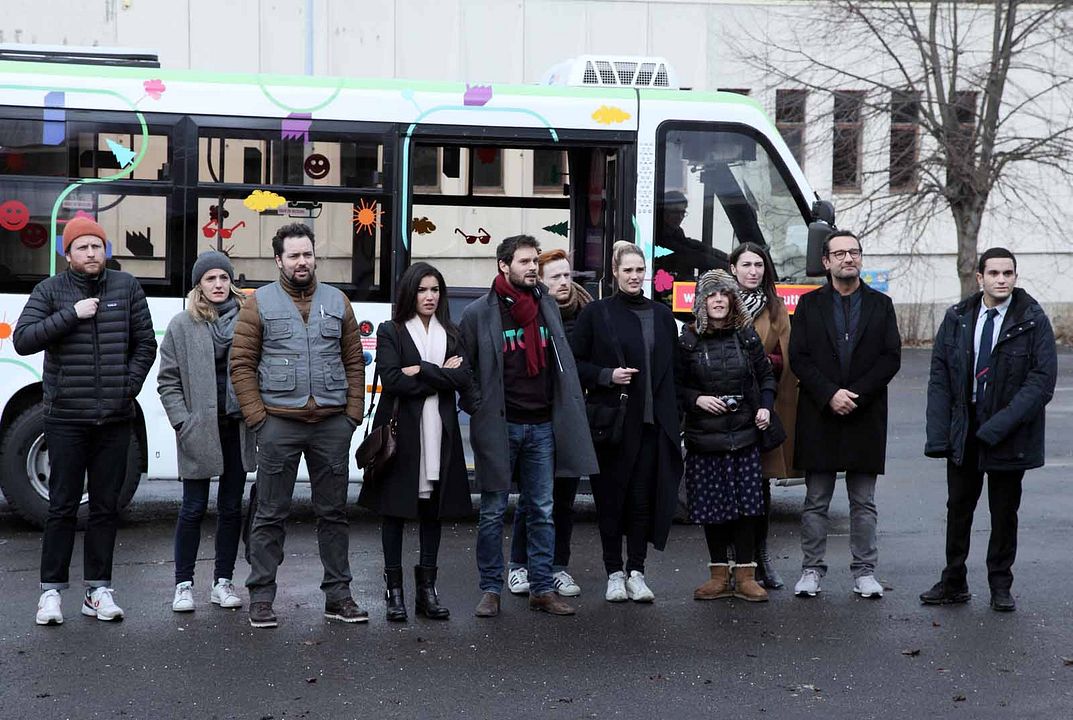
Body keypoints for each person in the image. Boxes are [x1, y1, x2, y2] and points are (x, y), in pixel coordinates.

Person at [16, 217, 156, 626]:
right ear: (68, 254)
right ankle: (51, 592)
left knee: (105, 507)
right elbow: (23, 340)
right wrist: (71, 315)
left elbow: (145, 343)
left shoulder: (126, 287)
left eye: (97, 246)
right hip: (65, 418)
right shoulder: (50, 291)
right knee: (61, 507)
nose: (92, 253)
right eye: (83, 247)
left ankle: (98, 590)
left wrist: (126, 387)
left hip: (115, 418)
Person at [229, 223, 366, 628]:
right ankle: (261, 597)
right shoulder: (257, 303)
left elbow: (354, 361)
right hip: (278, 424)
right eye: (294, 256)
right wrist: (259, 419)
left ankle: (338, 597)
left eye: (307, 254)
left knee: (334, 514)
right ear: (279, 260)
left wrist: (351, 416)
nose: (302, 262)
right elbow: (241, 365)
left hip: (331, 425)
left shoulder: (337, 301)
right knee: (269, 514)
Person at [459, 235, 598, 618]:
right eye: (524, 262)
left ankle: (541, 588)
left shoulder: (545, 304)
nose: (533, 267)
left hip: (542, 427)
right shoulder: (478, 313)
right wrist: (478, 406)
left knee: (542, 510)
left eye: (535, 261)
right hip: (500, 427)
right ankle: (491, 590)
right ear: (504, 266)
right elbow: (463, 368)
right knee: (492, 512)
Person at [920, 248, 1057, 612]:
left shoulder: (1032, 320)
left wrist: (999, 426)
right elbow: (940, 377)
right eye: (994, 273)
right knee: (958, 508)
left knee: (1004, 512)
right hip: (965, 429)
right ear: (979, 277)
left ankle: (1000, 584)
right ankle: (954, 580)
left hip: (1009, 432)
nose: (1001, 279)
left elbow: (1041, 383)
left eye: (1008, 273)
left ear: (1015, 277)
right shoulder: (958, 317)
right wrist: (940, 434)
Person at [788, 230, 900, 599]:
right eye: (839, 253)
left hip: (864, 415)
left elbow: (890, 358)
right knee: (816, 501)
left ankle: (865, 572)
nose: (848, 258)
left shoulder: (881, 305)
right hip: (820, 414)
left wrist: (857, 396)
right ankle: (811, 570)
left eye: (854, 252)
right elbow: (799, 357)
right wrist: (830, 394)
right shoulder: (809, 305)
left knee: (863, 503)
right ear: (826, 262)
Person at [357, 262, 472, 622]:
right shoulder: (390, 330)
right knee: (394, 514)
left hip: (441, 435)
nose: (429, 296)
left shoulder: (451, 331)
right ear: (410, 292)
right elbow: (392, 381)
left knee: (432, 514)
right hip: (401, 435)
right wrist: (439, 375)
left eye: (435, 290)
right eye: (422, 290)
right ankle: (394, 593)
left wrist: (421, 369)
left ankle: (427, 593)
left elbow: (463, 378)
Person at [572, 241, 683, 603]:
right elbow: (574, 364)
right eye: (628, 270)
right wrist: (607, 376)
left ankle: (637, 571)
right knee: (610, 501)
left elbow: (674, 371)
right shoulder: (597, 313)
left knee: (641, 501)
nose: (635, 276)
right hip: (613, 426)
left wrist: (677, 417)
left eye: (640, 270)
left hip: (653, 426)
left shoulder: (662, 316)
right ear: (615, 272)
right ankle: (613, 574)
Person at [158, 251, 257, 613]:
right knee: (193, 507)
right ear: (198, 285)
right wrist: (182, 421)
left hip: (236, 427)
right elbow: (167, 380)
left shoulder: (248, 320)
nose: (218, 285)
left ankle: (223, 582)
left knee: (231, 508)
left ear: (231, 281)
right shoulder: (182, 324)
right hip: (199, 429)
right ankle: (183, 585)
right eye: (210, 279)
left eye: (223, 278)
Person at [676, 270, 777, 603]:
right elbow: (675, 386)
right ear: (701, 302)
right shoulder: (688, 340)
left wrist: (765, 407)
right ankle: (718, 575)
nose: (718, 300)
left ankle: (746, 576)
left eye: (724, 294)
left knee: (748, 509)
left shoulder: (747, 336)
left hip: (744, 436)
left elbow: (766, 377)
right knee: (711, 509)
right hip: (705, 439)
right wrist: (697, 399)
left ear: (733, 300)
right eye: (711, 295)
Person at [507, 249, 593, 598]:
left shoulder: (586, 314)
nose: (563, 282)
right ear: (540, 281)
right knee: (533, 498)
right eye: (555, 276)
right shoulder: (533, 313)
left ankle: (558, 567)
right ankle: (519, 565)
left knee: (564, 500)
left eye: (567, 275)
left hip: (571, 418)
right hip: (539, 416)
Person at [729, 242, 798, 589]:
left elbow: (786, 356)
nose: (753, 271)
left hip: (762, 407)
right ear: (733, 269)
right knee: (727, 487)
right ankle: (731, 560)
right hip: (727, 409)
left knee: (760, 487)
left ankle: (761, 557)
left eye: (759, 265)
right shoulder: (720, 302)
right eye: (747, 265)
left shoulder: (775, 307)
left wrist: (760, 362)